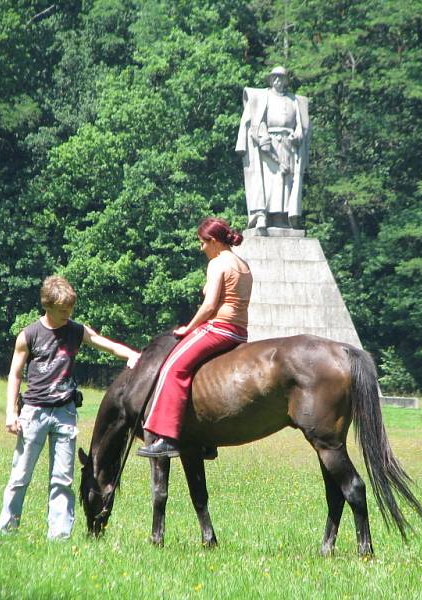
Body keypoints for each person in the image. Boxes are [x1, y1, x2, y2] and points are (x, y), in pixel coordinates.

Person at [0, 275, 140, 539]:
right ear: (47, 306)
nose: (68, 315)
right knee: (20, 476)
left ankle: (60, 536)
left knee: (63, 479)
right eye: (63, 311)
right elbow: (14, 374)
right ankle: (7, 531)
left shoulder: (76, 330)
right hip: (34, 413)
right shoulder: (29, 335)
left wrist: (131, 354)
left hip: (65, 413)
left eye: (70, 310)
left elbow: (104, 344)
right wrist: (11, 412)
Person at [137, 217, 253, 458]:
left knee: (172, 368)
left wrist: (188, 328)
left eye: (202, 243)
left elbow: (210, 306)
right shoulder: (243, 264)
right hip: (240, 332)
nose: (201, 248)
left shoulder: (218, 263)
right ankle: (204, 439)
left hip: (220, 328)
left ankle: (167, 437)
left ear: (213, 241)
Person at [235, 66, 312, 230]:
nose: (278, 81)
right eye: (275, 78)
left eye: (281, 78)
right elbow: (258, 121)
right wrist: (264, 139)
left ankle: (282, 218)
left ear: (285, 81)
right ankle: (264, 216)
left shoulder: (294, 100)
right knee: (270, 182)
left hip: (289, 145)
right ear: (271, 80)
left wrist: (297, 135)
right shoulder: (265, 97)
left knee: (286, 184)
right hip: (269, 144)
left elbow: (302, 126)